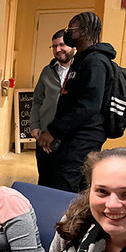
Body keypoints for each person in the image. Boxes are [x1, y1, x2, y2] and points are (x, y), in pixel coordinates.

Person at [37, 12, 115, 193]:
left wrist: (54, 131)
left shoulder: (95, 61)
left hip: (83, 138)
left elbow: (88, 106)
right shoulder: (82, 59)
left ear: (85, 31)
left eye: (71, 29)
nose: (67, 33)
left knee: (64, 188)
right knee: (56, 182)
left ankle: (67, 222)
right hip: (70, 137)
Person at [30, 30, 77, 188]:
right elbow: (37, 100)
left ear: (73, 46)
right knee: (45, 180)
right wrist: (35, 125)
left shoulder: (82, 69)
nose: (58, 50)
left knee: (66, 184)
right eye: (54, 46)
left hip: (70, 139)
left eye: (62, 45)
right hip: (44, 138)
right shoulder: (47, 71)